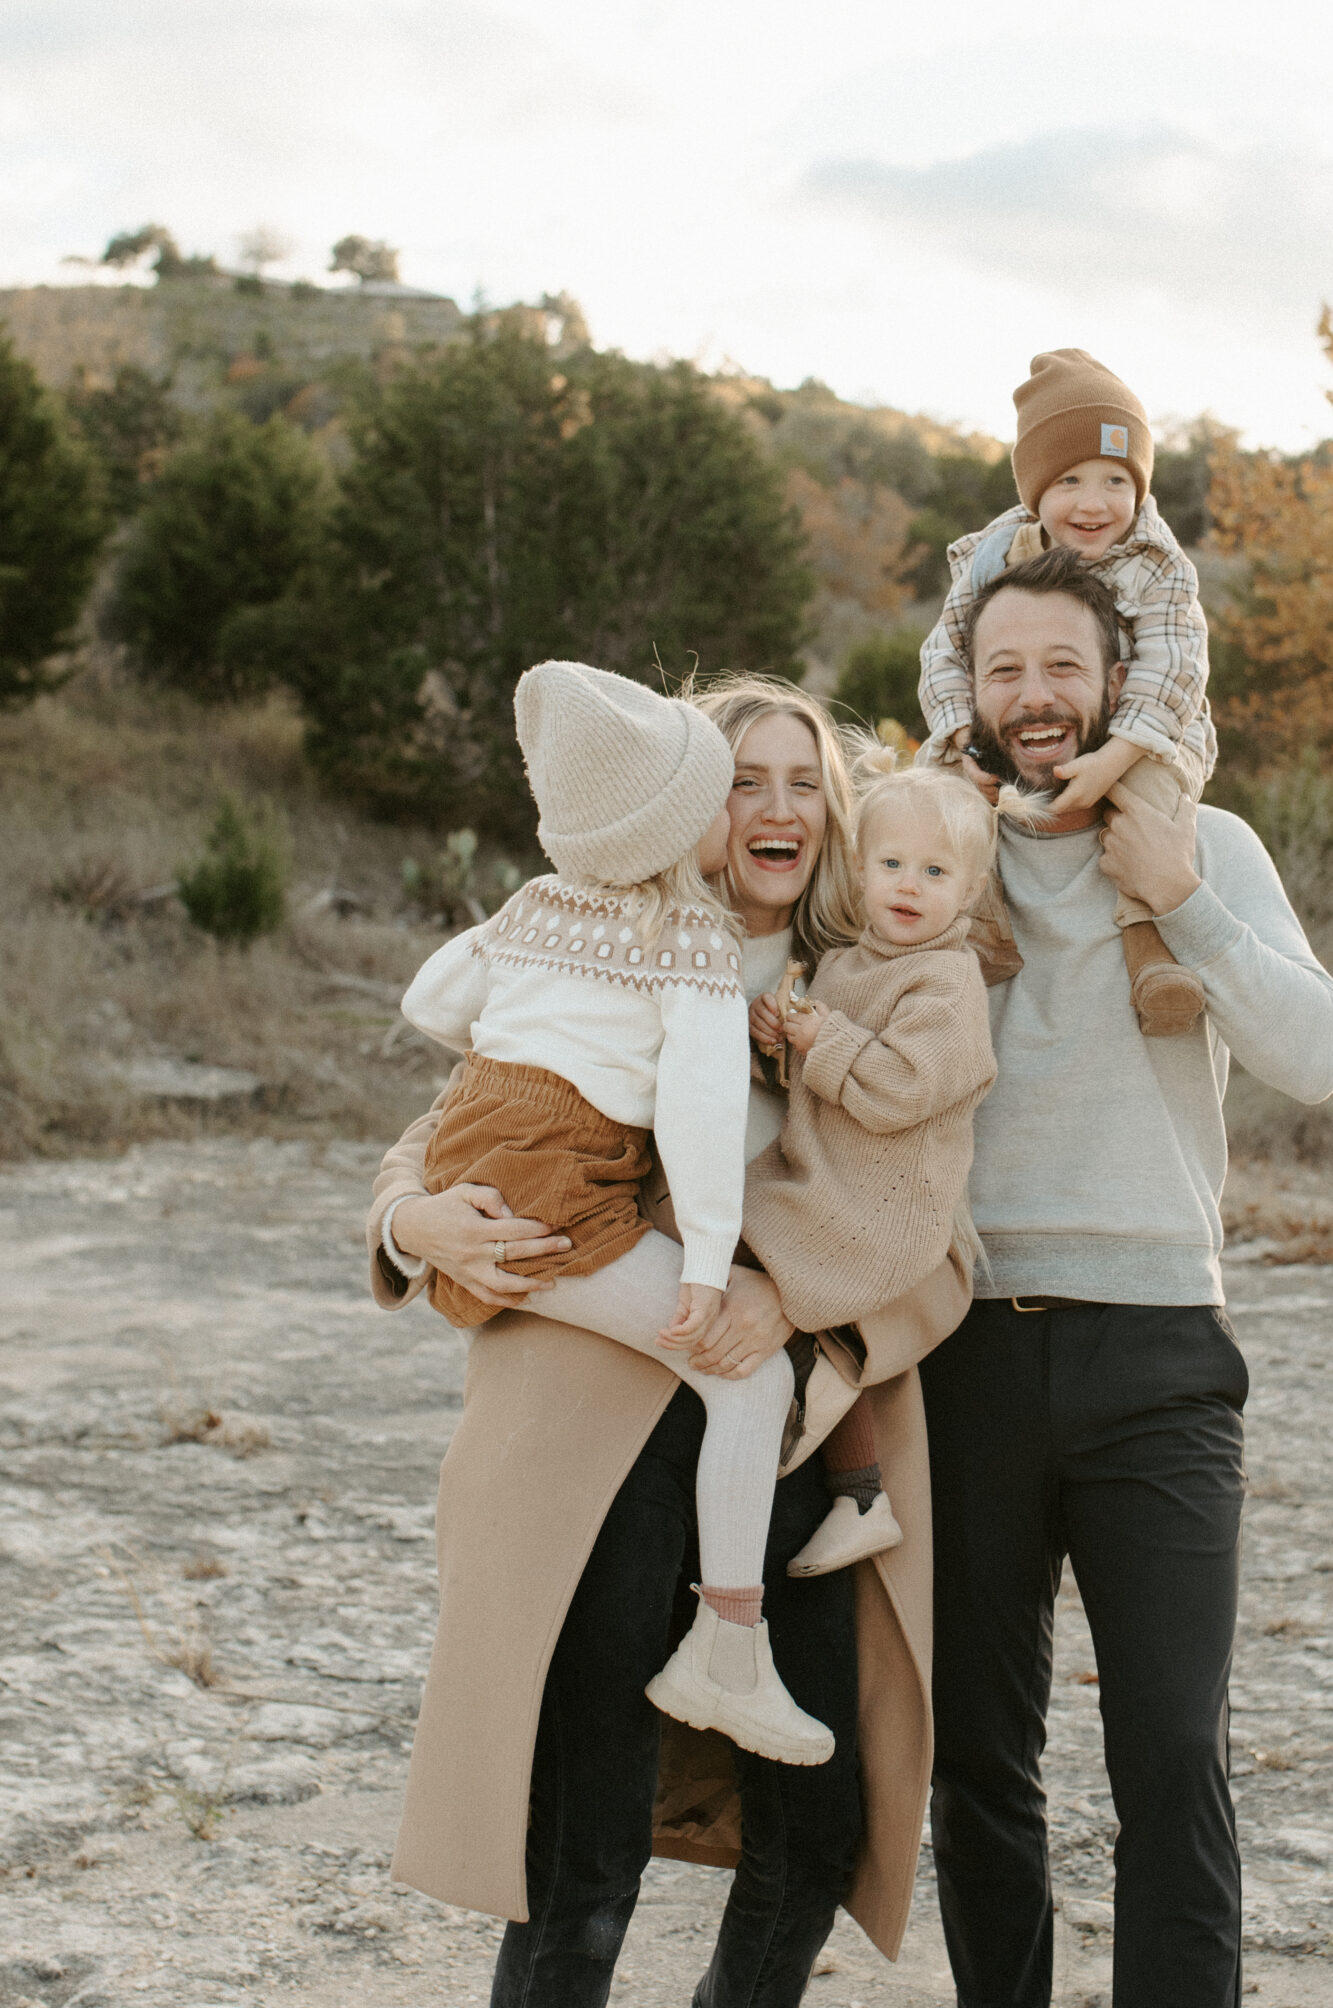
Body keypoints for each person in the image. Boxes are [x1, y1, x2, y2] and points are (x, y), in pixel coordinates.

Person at [369, 676, 970, 2008]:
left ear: (836, 808)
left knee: (812, 1820)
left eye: (802, 780)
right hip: (603, 1444)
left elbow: (941, 1236)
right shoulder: (605, 939)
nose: (774, 808)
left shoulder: (866, 987)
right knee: (584, 1840)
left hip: (795, 1446)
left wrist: (796, 1295)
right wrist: (412, 1221)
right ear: (691, 809)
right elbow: (462, 1122)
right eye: (740, 781)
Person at [920, 548, 1333, 2008]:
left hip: (1159, 1351)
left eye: (1059, 668)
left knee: (1169, 1748)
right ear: (963, 693)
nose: (1032, 699)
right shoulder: (919, 844)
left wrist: (1185, 901)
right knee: (977, 1753)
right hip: (960, 1351)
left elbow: (1314, 1054)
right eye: (1002, 672)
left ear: (1115, 679)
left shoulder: (1201, 842)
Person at [396, 659, 830, 1763]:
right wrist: (708, 1265)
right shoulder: (690, 941)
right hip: (564, 1195)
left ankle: (723, 1653)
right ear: (679, 824)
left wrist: (519, 1059)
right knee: (751, 1377)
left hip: (479, 1139)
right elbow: (698, 1106)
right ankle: (728, 1649)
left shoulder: (535, 905)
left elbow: (431, 1000)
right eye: (723, 795)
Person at [743, 758, 999, 1578]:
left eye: (934, 872)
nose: (909, 886)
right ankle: (856, 1495)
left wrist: (824, 1041)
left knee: (785, 1291)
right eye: (891, 865)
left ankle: (840, 1469)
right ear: (858, 872)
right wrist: (779, 1042)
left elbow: (899, 1091)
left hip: (885, 1203)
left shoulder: (948, 982)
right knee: (727, 1229)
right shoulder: (848, 963)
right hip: (826, 1175)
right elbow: (815, 1085)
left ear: (969, 894)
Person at [917, 346, 1215, 1035]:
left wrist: (1115, 759)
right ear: (1034, 493)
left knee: (1150, 813)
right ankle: (974, 917)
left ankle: (1150, 951)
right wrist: (960, 735)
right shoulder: (996, 553)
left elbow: (1174, 663)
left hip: (1146, 726)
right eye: (1070, 480)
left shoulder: (1157, 561)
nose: (1093, 503)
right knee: (937, 791)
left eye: (1116, 479)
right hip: (1016, 728)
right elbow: (944, 646)